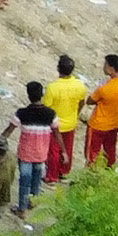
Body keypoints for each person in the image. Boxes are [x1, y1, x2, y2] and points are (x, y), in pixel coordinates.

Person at [14, 81, 57, 211]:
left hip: (26, 154)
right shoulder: (50, 113)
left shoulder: (22, 113)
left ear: (28, 95)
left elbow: (10, 128)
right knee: (36, 181)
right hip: (41, 154)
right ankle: (33, 203)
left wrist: (0, 139)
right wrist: (64, 152)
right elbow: (57, 133)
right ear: (42, 95)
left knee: (24, 182)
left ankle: (21, 209)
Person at [45, 53, 88, 183]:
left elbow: (47, 108)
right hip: (71, 122)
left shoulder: (53, 87)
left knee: (54, 151)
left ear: (58, 69)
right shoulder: (80, 85)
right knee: (67, 148)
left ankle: (52, 176)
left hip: (56, 124)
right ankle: (64, 172)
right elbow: (82, 102)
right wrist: (76, 114)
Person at [86, 54, 118, 167]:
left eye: (105, 64)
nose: (103, 67)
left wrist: (100, 93)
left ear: (111, 68)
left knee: (92, 154)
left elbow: (89, 101)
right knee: (110, 153)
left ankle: (88, 175)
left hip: (98, 124)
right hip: (113, 124)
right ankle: (108, 173)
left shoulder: (104, 88)